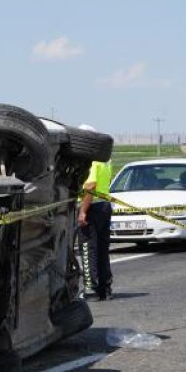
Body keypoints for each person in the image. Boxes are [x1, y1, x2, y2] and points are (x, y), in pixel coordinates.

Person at [77, 125, 113, 301]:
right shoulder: (105, 158)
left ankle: (90, 288)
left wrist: (83, 211)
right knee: (102, 249)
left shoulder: (90, 158)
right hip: (104, 205)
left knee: (87, 248)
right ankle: (105, 287)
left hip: (91, 207)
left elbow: (90, 186)